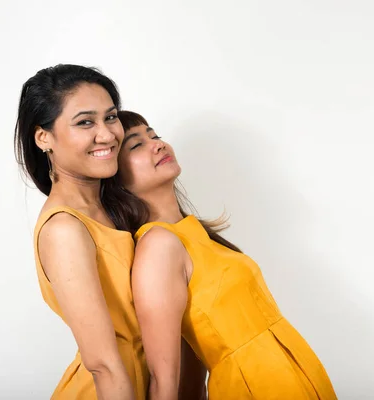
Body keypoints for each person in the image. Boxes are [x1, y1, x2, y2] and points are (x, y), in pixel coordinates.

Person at [101, 110, 337, 399]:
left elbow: (192, 370)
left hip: (294, 378)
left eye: (155, 135)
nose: (158, 144)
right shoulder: (158, 246)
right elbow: (165, 382)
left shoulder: (192, 234)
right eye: (137, 145)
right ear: (116, 178)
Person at [14, 65, 148, 399]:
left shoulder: (114, 206)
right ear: (43, 137)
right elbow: (103, 363)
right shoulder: (64, 228)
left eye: (111, 117)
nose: (107, 134)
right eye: (85, 122)